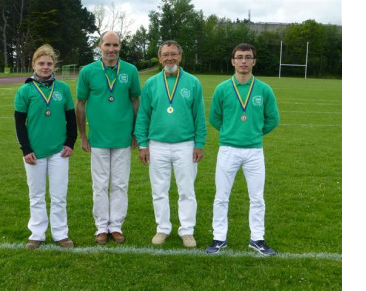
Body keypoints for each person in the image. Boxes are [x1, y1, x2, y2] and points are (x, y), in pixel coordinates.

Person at [206, 43, 280, 256]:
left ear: (254, 61)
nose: (244, 61)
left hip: (254, 151)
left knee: (257, 197)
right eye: (240, 57)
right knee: (221, 196)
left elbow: (273, 119)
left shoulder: (264, 89)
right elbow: (215, 117)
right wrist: (231, 132)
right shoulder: (222, 88)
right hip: (228, 149)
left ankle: (257, 238)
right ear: (233, 61)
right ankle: (219, 238)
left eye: (248, 57)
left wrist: (254, 133)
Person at [135, 40, 207, 248]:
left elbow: (199, 116)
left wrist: (199, 143)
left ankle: (187, 231)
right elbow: (143, 117)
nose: (169, 58)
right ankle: (163, 228)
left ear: (180, 56)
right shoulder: (151, 83)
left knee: (186, 190)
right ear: (159, 58)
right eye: (165, 55)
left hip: (185, 144)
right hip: (156, 144)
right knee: (159, 189)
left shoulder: (193, 82)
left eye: (173, 54)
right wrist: (142, 144)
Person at [76, 31, 141, 245]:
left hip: (123, 138)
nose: (111, 49)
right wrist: (83, 135)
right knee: (100, 184)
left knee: (120, 184)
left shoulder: (130, 71)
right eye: (107, 45)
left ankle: (116, 226)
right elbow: (80, 104)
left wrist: (134, 133)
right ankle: (101, 227)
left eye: (115, 45)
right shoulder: (88, 71)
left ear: (120, 47)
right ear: (100, 45)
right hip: (98, 139)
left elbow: (135, 102)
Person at [14, 44, 77, 249]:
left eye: (49, 63)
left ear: (54, 66)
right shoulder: (25, 90)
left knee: (59, 195)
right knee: (36, 195)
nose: (45, 67)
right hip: (35, 152)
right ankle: (37, 234)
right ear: (34, 64)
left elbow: (71, 119)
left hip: (59, 151)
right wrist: (26, 149)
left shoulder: (63, 89)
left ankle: (60, 234)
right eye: (41, 63)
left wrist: (70, 142)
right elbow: (19, 123)